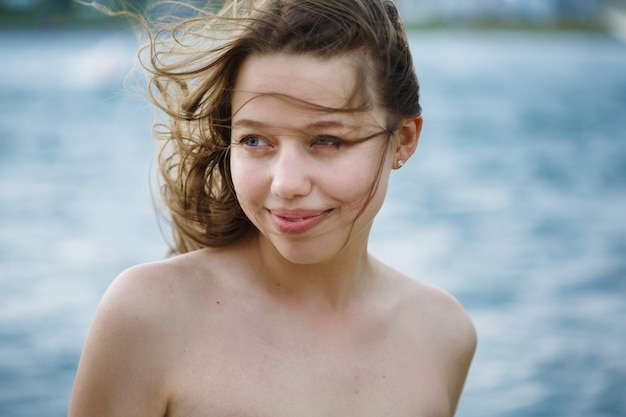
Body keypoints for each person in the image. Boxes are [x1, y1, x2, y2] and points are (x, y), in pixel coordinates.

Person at [69, 0, 476, 416]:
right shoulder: (147, 317)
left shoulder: (443, 334)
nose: (286, 183)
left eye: (327, 140)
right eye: (254, 140)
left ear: (403, 139)